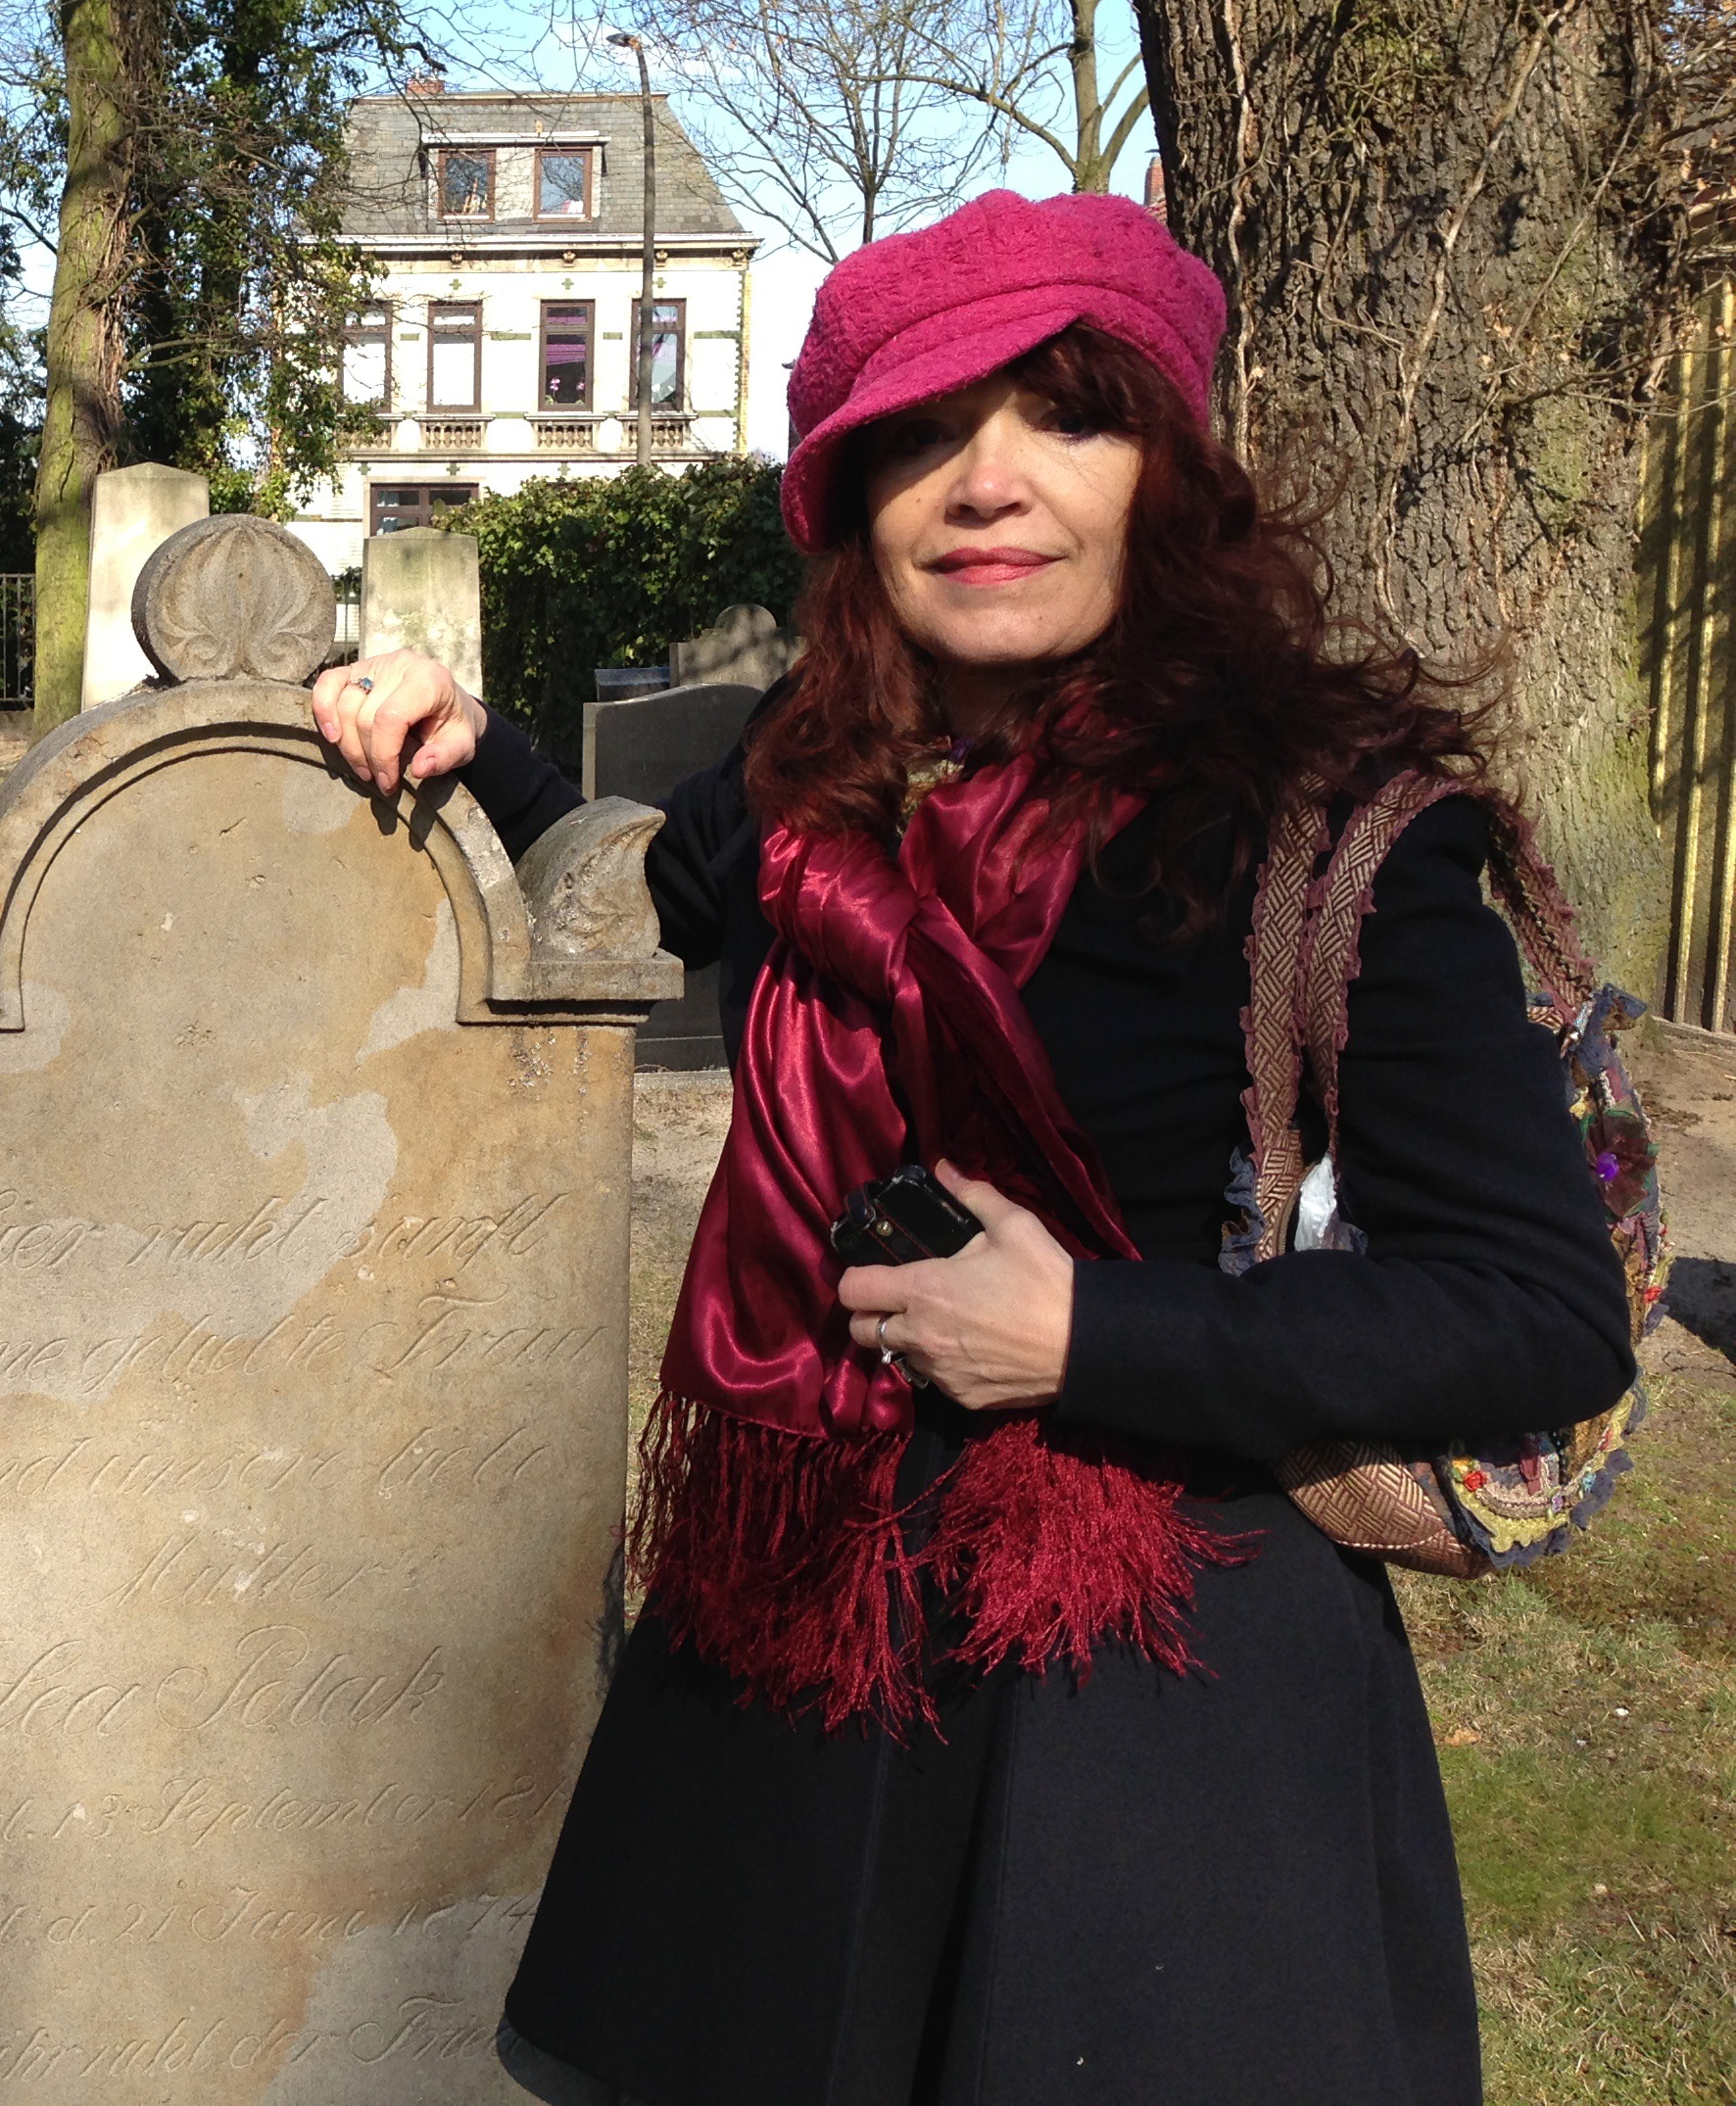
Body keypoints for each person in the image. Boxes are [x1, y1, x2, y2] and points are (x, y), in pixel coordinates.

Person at [308, 189, 1632, 2105]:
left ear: (1167, 469)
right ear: (849, 507)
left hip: (1153, 1690)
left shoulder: (1326, 825)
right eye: (918, 435)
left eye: (1065, 417)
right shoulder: (812, 783)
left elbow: (1535, 1312)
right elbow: (635, 891)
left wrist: (1088, 1334)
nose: (985, 484)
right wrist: (456, 731)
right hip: (803, 1648)